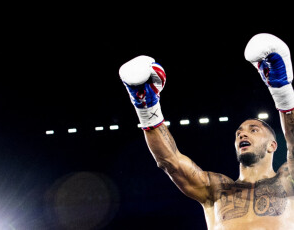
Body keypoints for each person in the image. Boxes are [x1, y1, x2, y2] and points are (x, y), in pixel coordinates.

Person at [119, 33, 294, 230]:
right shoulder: (217, 190)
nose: (243, 134)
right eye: (238, 133)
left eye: (254, 130)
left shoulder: (288, 182)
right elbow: (171, 163)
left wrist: (282, 90)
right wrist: (146, 109)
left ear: (273, 145)